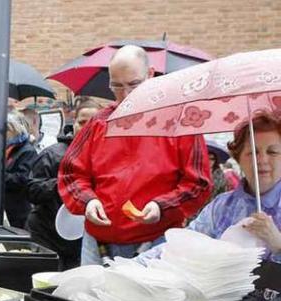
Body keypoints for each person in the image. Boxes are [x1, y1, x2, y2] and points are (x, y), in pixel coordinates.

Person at [58, 45, 212, 265]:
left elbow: (198, 183)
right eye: (117, 86)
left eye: (134, 84)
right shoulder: (98, 123)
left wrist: (162, 206)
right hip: (98, 242)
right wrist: (88, 202)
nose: (126, 94)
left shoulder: (178, 122)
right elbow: (71, 174)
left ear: (150, 75)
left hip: (157, 241)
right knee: (90, 299)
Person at [139, 112, 281, 262]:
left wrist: (278, 243)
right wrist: (133, 266)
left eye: (273, 152)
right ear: (238, 158)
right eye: (252, 152)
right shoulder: (221, 207)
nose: (262, 160)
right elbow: (184, 244)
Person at [26, 99, 102, 269]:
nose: (87, 127)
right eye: (82, 122)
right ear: (73, 124)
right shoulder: (53, 154)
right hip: (46, 234)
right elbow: (32, 190)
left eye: (93, 122)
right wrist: (64, 184)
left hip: (84, 240)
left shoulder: (108, 157)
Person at [5, 110, 37, 229]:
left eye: (7, 130)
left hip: (19, 211)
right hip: (10, 209)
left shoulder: (27, 151)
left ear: (16, 129)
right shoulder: (10, 149)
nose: (4, 133)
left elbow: (23, 179)